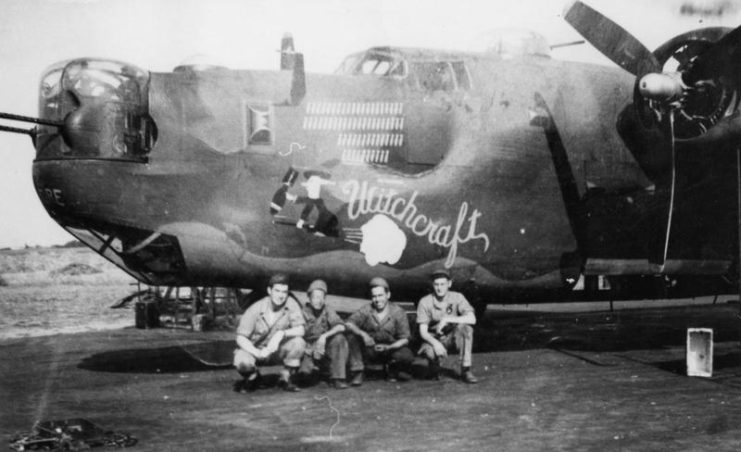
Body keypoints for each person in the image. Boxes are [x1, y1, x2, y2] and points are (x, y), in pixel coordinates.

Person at [233, 273, 306, 392]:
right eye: (277, 291)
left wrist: (282, 333)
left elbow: (301, 329)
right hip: (256, 350)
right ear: (269, 290)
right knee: (242, 361)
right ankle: (253, 377)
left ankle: (286, 377)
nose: (281, 296)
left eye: (284, 292)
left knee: (299, 343)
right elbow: (240, 337)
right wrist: (257, 352)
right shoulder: (255, 309)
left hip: (276, 350)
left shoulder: (290, 303)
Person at [345, 277, 415, 386]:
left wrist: (389, 347)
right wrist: (363, 334)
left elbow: (405, 339)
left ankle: (393, 369)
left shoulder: (398, 312)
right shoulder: (366, 309)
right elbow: (349, 323)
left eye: (380, 295)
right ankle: (357, 371)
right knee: (351, 337)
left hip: (390, 349)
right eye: (374, 296)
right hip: (370, 348)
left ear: (388, 295)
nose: (377, 300)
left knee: (406, 355)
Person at [417, 269, 478, 384]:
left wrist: (447, 319)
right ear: (432, 285)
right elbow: (423, 332)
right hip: (433, 338)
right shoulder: (425, 302)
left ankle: (466, 369)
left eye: (443, 284)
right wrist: (436, 344)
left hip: (451, 336)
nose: (439, 288)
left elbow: (472, 319)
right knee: (429, 353)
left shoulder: (457, 297)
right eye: (436, 284)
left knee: (466, 329)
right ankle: (434, 366)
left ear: (449, 284)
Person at [297, 279, 350, 389]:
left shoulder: (327, 310)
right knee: (304, 377)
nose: (319, 300)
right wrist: (310, 350)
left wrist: (324, 336)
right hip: (308, 350)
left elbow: (341, 326)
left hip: (323, 349)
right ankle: (313, 371)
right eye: (315, 297)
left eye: (321, 297)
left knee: (339, 338)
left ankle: (338, 377)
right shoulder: (301, 312)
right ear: (309, 298)